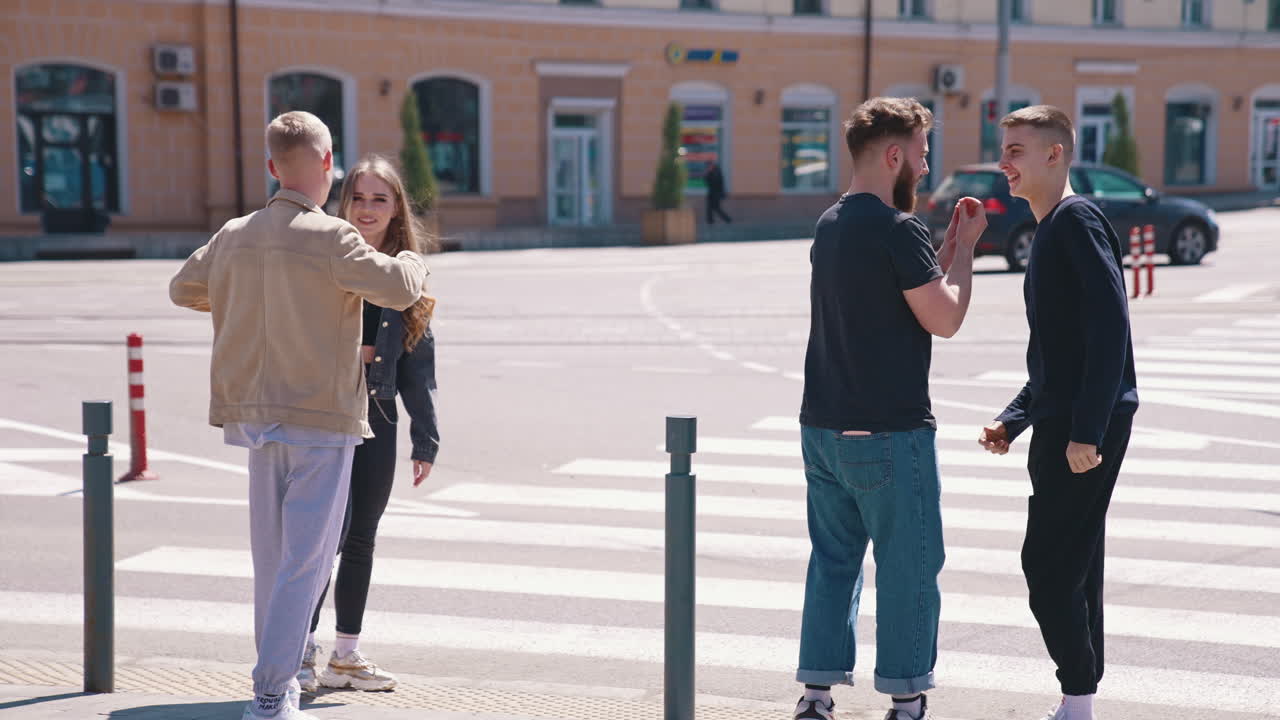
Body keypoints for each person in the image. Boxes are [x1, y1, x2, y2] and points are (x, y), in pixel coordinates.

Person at [169, 111, 429, 720]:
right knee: (305, 566)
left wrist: (238, 290)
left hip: (252, 417)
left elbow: (183, 288)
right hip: (321, 417)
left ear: (271, 167)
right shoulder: (331, 237)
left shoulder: (235, 233)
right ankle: (270, 691)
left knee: (272, 562)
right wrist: (416, 260)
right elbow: (400, 287)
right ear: (327, 163)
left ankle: (276, 683)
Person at [794, 96, 987, 720]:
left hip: (821, 426)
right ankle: (906, 698)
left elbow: (882, 296)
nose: (926, 168)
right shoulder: (898, 230)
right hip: (888, 430)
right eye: (922, 155)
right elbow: (945, 318)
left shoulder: (830, 224)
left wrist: (942, 247)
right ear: (895, 154)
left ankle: (816, 694)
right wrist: (965, 251)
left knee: (834, 562)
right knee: (909, 566)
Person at [978, 105, 1139, 720]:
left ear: (1055, 154)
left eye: (1017, 150)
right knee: (1075, 559)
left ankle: (1077, 696)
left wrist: (1086, 431)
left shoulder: (1075, 222)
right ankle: (1081, 696)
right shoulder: (1051, 229)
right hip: (1066, 419)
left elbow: (1109, 330)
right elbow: (1058, 353)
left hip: (1083, 427)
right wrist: (1015, 419)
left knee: (1046, 565)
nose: (1004, 163)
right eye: (1004, 150)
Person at [297, 154, 441, 693]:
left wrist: (425, 438)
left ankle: (346, 656)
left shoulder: (407, 268)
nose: (367, 208)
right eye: (359, 196)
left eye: (380, 198)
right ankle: (299, 653)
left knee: (361, 539)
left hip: (379, 420)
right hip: (329, 416)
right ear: (344, 200)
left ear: (396, 206)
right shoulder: (328, 252)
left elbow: (417, 365)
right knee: (322, 539)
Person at [704, 160, 731, 224]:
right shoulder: (712, 171)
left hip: (716, 194)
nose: (707, 167)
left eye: (708, 166)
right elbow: (707, 182)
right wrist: (707, 175)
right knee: (710, 208)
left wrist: (707, 175)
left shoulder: (716, 171)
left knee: (716, 208)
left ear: (712, 165)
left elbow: (714, 182)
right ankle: (710, 221)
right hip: (712, 193)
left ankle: (728, 219)